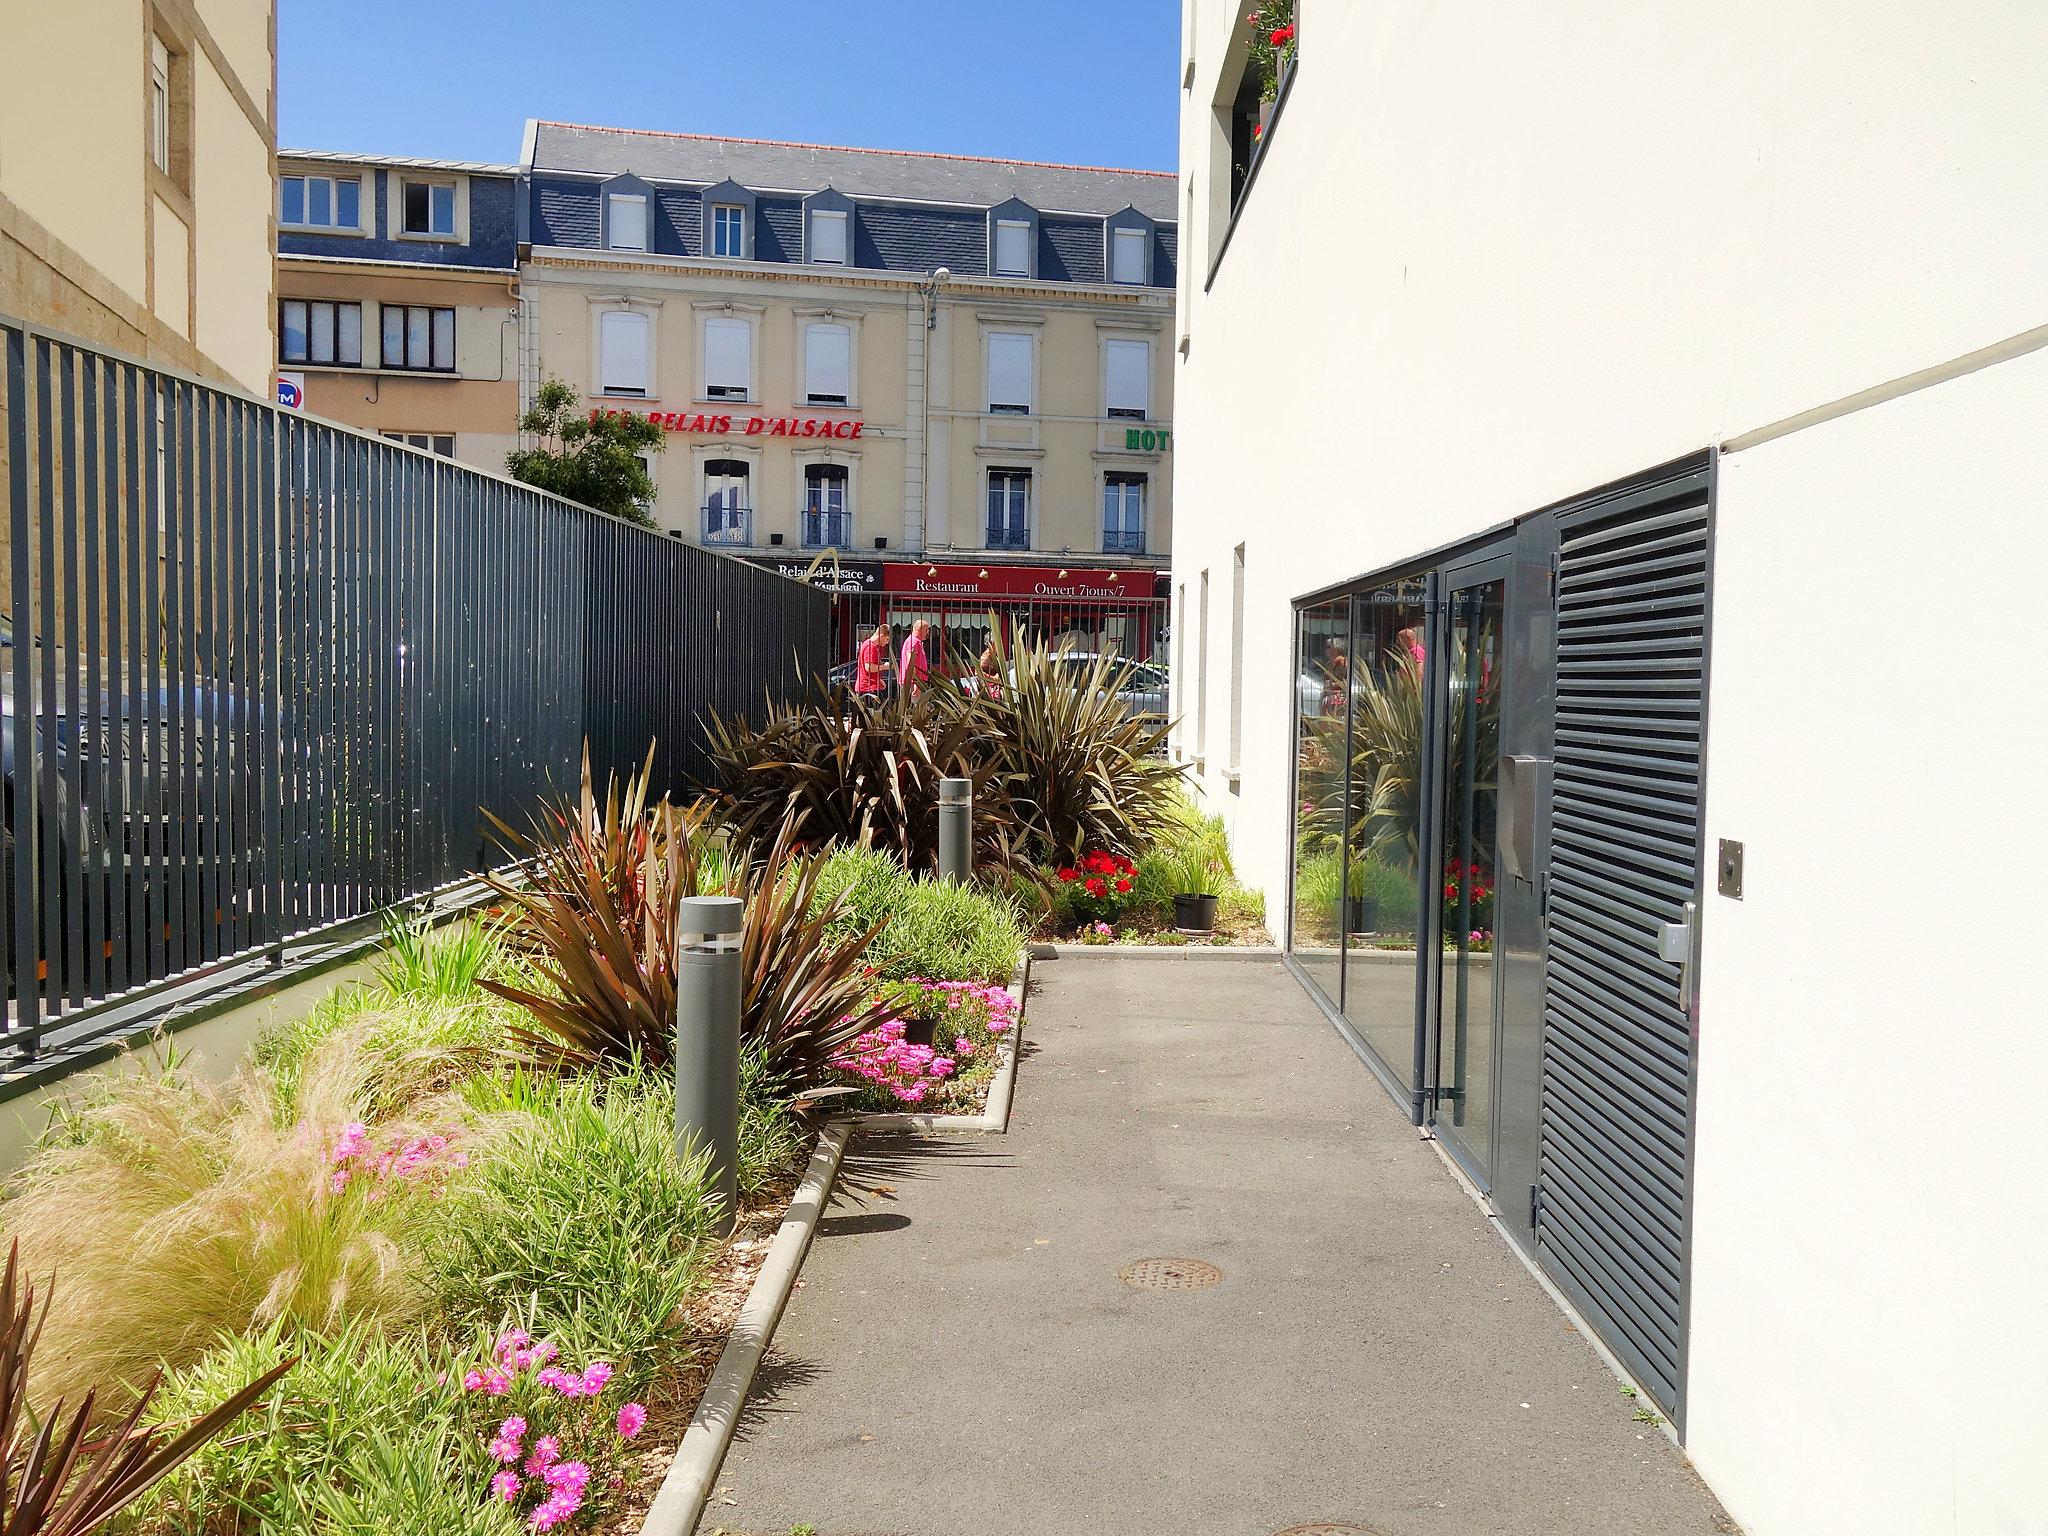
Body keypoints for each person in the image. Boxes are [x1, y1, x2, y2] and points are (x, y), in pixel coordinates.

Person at [854, 622, 890, 699]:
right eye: (887, 639)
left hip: (869, 687)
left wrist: (879, 680)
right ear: (881, 636)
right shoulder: (871, 647)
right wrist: (885, 667)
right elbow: (869, 668)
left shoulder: (868, 645)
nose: (887, 643)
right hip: (868, 688)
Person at [898, 618, 931, 692]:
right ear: (918, 629)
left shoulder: (916, 642)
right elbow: (911, 663)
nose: (927, 633)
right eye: (926, 630)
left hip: (917, 682)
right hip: (912, 683)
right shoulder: (913, 641)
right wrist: (915, 682)